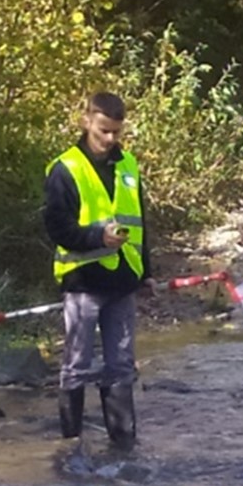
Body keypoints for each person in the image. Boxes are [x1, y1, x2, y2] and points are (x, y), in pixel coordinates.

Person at [44, 92, 154, 450]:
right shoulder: (65, 169)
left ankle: (123, 446)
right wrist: (97, 238)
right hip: (83, 282)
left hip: (123, 281)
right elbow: (57, 229)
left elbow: (139, 222)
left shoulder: (128, 165)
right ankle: (71, 446)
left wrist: (146, 272)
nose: (109, 139)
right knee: (77, 365)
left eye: (116, 132)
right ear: (86, 121)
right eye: (103, 130)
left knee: (121, 365)